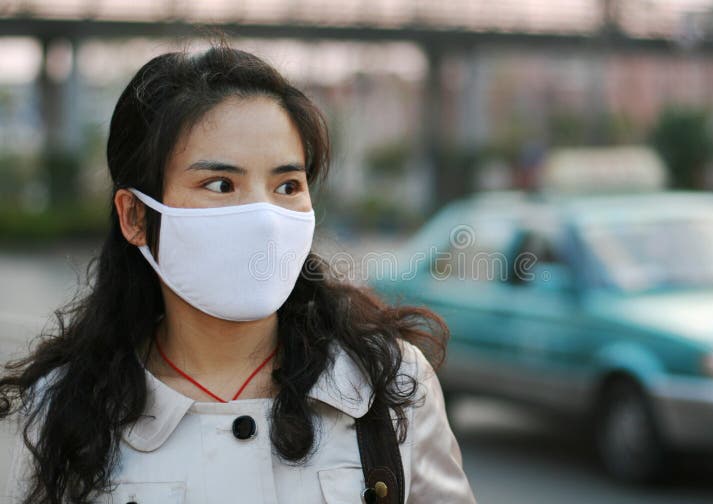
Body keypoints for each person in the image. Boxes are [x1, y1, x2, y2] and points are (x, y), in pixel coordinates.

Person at [1, 38, 477, 504]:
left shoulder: (387, 386)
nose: (264, 216)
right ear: (135, 217)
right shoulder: (60, 410)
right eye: (221, 184)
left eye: (288, 184)